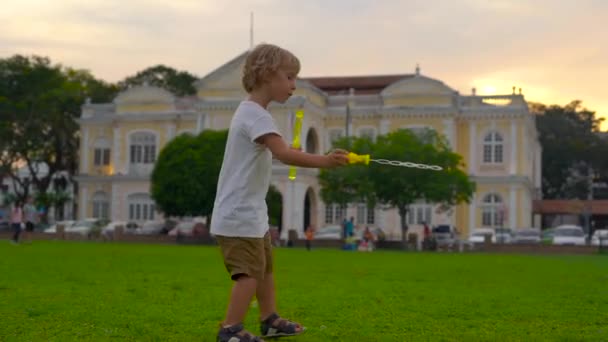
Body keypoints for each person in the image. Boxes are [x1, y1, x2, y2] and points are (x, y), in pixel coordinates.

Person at [210, 43, 349, 342]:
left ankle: (269, 319)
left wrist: (289, 151)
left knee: (265, 269)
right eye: (289, 77)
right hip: (239, 212)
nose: (293, 85)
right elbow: (284, 154)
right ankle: (230, 330)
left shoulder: (252, 113)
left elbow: (274, 151)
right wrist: (325, 161)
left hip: (251, 211)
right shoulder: (256, 116)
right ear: (267, 75)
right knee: (248, 274)